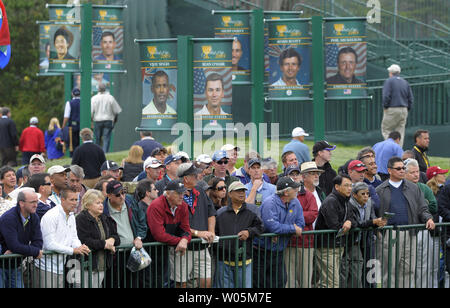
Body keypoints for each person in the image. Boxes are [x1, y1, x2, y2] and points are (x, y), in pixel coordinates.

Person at [375, 156, 435, 288]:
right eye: (398, 168)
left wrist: (428, 218)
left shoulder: (414, 188)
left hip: (410, 233)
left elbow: (422, 208)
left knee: (408, 270)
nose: (402, 171)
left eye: (403, 168)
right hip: (390, 235)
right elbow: (374, 213)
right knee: (389, 272)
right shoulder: (380, 190)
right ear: (390, 170)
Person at [253, 176, 305, 288]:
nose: (297, 190)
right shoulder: (269, 203)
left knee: (280, 282)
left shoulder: (295, 202)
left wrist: (284, 231)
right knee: (261, 284)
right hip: (261, 252)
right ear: (286, 192)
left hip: (278, 252)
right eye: (294, 188)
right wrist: (292, 229)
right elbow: (273, 227)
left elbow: (301, 224)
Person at [34, 187, 90, 288]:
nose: (75, 203)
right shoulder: (51, 215)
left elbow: (74, 237)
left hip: (60, 266)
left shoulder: (72, 216)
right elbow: (49, 244)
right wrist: (73, 250)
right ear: (62, 200)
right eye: (71, 200)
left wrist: (80, 247)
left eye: (76, 199)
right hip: (46, 266)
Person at [214, 181, 264, 288]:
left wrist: (249, 232)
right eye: (238, 191)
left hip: (245, 261)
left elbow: (261, 227)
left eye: (243, 191)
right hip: (224, 261)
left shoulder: (253, 210)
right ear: (230, 194)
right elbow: (215, 233)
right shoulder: (220, 213)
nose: (242, 193)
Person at [174, 163, 216, 288]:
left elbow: (211, 213)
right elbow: (176, 225)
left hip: (202, 247)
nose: (198, 177)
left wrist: (211, 231)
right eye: (194, 175)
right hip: (183, 248)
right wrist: (198, 233)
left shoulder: (200, 191)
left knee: (207, 282)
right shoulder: (174, 195)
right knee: (182, 284)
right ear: (186, 178)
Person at [147, 179, 191, 288]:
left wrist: (185, 239)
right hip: (152, 251)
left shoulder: (183, 206)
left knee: (173, 282)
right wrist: (180, 241)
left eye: (182, 193)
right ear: (167, 194)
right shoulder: (156, 205)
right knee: (155, 282)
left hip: (169, 249)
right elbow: (159, 235)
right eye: (178, 193)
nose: (182, 196)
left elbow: (186, 229)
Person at [314, 174, 356, 288]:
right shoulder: (330, 201)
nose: (349, 188)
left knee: (329, 281)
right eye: (346, 185)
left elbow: (353, 219)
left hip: (338, 246)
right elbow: (334, 225)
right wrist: (346, 223)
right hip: (326, 247)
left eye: (351, 186)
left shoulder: (346, 201)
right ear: (337, 187)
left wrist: (350, 222)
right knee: (331, 283)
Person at [102, 180, 147, 288]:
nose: (122, 196)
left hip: (133, 252)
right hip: (114, 255)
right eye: (118, 194)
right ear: (109, 196)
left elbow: (142, 222)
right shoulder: (103, 209)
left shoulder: (130, 201)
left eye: (123, 192)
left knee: (133, 284)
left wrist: (139, 237)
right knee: (113, 283)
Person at [343, 182, 386, 288]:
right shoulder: (349, 204)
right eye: (363, 194)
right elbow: (356, 223)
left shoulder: (370, 203)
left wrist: (378, 224)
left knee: (370, 269)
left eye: (367, 193)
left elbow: (372, 217)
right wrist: (373, 222)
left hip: (367, 240)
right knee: (353, 272)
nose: (366, 196)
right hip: (353, 242)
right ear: (354, 195)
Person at [404, 159, 439, 288]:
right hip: (406, 231)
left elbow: (434, 205)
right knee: (406, 266)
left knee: (423, 266)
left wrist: (420, 208)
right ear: (405, 173)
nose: (416, 175)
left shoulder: (423, 187)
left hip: (423, 230)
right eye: (412, 172)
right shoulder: (402, 187)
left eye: (417, 171)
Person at [76, 189, 120, 288]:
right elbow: (85, 240)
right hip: (86, 265)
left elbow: (116, 236)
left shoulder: (104, 217)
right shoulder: (81, 218)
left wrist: (112, 240)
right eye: (97, 203)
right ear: (88, 205)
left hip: (102, 265)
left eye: (101, 202)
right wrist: (105, 244)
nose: (101, 205)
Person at [0, 189, 43, 288]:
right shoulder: (9, 218)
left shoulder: (34, 217)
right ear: (21, 203)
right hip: (1, 265)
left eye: (37, 201)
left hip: (16, 264)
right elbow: (14, 245)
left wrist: (21, 251)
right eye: (32, 202)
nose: (36, 205)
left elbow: (38, 242)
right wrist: (34, 251)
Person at [284, 165, 318, 288]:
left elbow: (313, 215)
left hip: (306, 243)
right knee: (289, 281)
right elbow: (280, 214)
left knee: (305, 281)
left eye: (296, 174)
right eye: (291, 174)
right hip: (287, 243)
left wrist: (293, 217)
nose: (294, 177)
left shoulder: (309, 195)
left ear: (301, 177)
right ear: (286, 177)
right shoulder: (284, 194)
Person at [381, 64, 414, 147]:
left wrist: (385, 106)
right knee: (400, 132)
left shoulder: (389, 81)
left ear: (391, 73)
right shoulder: (405, 82)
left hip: (392, 108)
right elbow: (410, 98)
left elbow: (386, 96)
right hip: (404, 109)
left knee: (386, 129)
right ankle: (398, 151)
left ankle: (390, 147)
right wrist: (407, 108)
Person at [91, 83, 122, 153]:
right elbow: (117, 111)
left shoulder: (94, 98)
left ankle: (97, 153)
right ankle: (105, 154)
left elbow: (91, 112)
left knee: (97, 139)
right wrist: (115, 121)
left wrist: (92, 121)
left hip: (98, 120)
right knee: (106, 139)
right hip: (108, 120)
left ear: (98, 89)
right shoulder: (110, 97)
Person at [300, 161, 326, 228]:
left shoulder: (321, 192)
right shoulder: (298, 194)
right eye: (313, 173)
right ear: (303, 177)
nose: (316, 176)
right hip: (304, 234)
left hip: (320, 234)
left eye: (317, 173)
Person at [62, 88, 81, 156]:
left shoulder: (69, 103)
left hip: (72, 127)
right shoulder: (83, 102)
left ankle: (74, 156)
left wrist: (63, 126)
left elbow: (66, 116)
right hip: (82, 126)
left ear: (72, 94)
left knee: (72, 144)